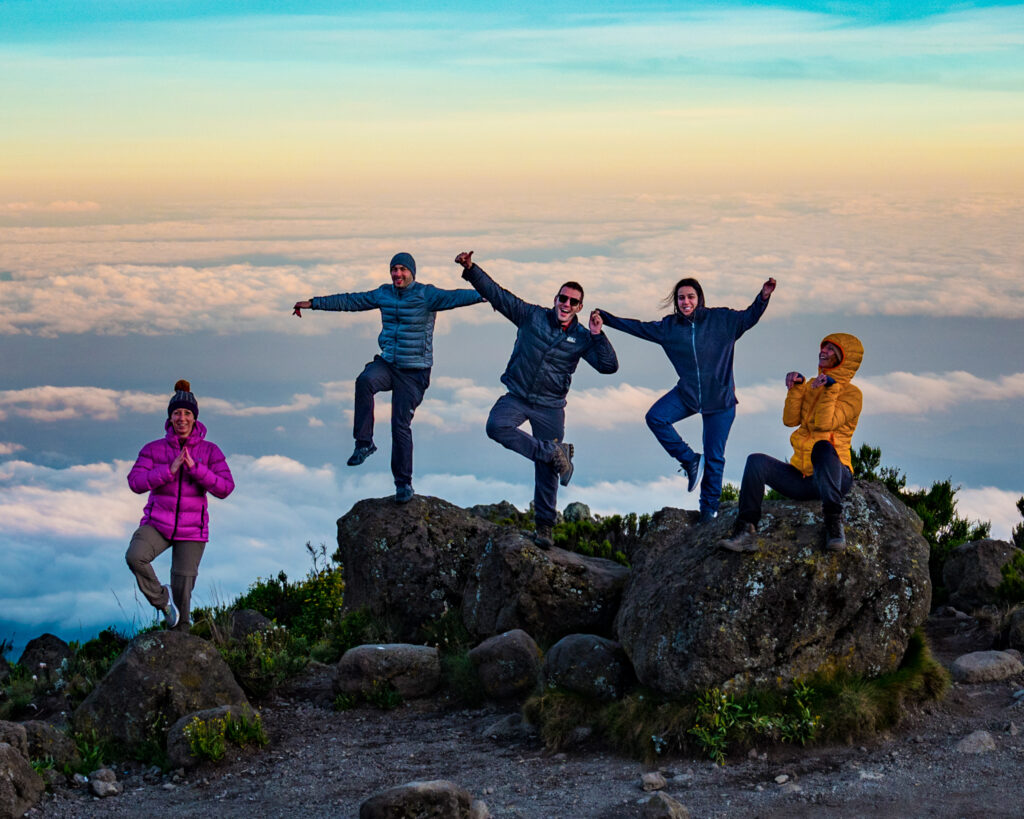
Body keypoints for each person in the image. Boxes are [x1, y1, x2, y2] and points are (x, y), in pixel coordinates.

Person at [455, 250, 618, 548]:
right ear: (555, 299)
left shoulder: (583, 337)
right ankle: (554, 452)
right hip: (517, 395)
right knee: (497, 427)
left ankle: (544, 527)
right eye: (562, 298)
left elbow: (608, 366)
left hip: (551, 405)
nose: (566, 304)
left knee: (546, 471)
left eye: (572, 301)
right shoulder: (531, 316)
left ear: (579, 306)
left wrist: (598, 335)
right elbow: (498, 295)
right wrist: (470, 269)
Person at [293, 252, 483, 502]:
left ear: (412, 272)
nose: (398, 274)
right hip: (388, 363)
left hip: (414, 371)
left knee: (399, 425)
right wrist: (313, 303)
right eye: (394, 269)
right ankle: (364, 443)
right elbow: (352, 301)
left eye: (403, 269)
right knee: (364, 381)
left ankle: (403, 484)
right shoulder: (384, 293)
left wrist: (487, 294)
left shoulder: (427, 295)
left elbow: (458, 296)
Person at [596, 276, 776, 522]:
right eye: (681, 297)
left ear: (699, 298)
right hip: (688, 394)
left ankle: (708, 512)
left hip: (720, 401)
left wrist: (763, 296)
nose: (686, 301)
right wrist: (606, 319)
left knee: (715, 457)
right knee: (656, 418)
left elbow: (749, 317)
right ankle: (690, 460)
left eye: (690, 296)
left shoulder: (721, 320)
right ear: (676, 301)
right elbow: (638, 327)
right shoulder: (669, 327)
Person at [718, 333, 864, 553]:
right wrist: (796, 389)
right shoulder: (810, 387)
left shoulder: (852, 395)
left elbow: (825, 424)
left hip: (835, 477)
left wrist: (830, 389)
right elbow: (790, 420)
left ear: (845, 359)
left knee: (823, 447)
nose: (823, 351)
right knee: (755, 462)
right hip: (802, 478)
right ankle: (745, 531)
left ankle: (834, 526)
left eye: (832, 350)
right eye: (824, 347)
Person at [126, 380, 234, 629]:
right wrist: (169, 469)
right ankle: (163, 603)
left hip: (192, 530)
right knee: (135, 556)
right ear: (170, 418)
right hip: (157, 524)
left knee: (182, 594)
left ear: (195, 418)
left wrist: (196, 470)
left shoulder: (209, 451)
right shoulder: (154, 450)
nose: (182, 418)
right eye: (177, 413)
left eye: (187, 413)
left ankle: (181, 638)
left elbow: (226, 487)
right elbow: (135, 482)